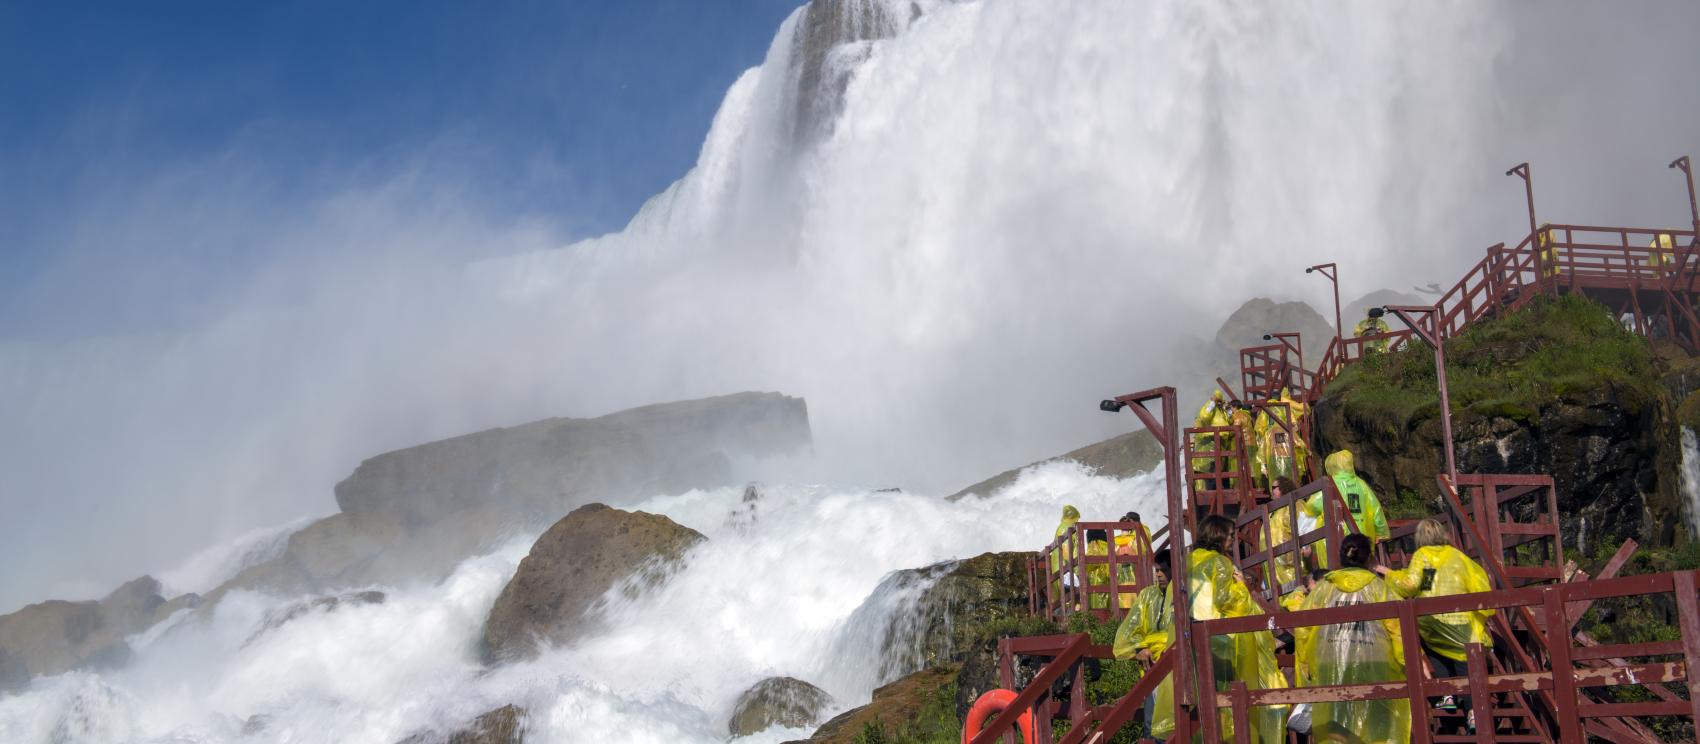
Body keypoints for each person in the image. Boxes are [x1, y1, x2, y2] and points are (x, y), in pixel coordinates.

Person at [1177, 515, 1288, 743]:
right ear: (1217, 535)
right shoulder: (1219, 562)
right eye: (1229, 535)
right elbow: (1227, 601)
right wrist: (1242, 586)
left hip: (1193, 636)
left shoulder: (1188, 560)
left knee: (1204, 700)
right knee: (1229, 700)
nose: (1232, 541)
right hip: (1222, 639)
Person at [1380, 518, 1495, 729]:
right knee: (1465, 665)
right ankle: (1473, 714)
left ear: (1420, 537)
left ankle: (1446, 695)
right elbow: (1478, 583)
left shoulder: (1422, 556)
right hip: (1461, 620)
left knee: (1432, 650)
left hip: (1431, 620)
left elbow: (1413, 585)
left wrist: (1389, 576)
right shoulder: (1459, 557)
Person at [1296, 533, 1410, 744]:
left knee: (1336, 725)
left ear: (1341, 557)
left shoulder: (1323, 588)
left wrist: (1305, 665)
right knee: (1375, 726)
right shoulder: (1379, 588)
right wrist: (1407, 663)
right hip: (1373, 662)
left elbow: (1303, 629)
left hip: (1330, 662)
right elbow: (1398, 630)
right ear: (1368, 559)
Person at [1114, 547, 1173, 743]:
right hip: (1152, 669)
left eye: (1163, 570)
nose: (1158, 574)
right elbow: (1127, 632)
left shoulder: (1184, 594)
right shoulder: (1148, 595)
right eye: (1156, 570)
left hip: (1175, 666)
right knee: (1152, 726)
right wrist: (1139, 648)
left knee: (1176, 725)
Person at [1302, 450, 1390, 561]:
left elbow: (1311, 506)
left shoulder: (1330, 484)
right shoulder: (1362, 485)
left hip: (1338, 538)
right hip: (1362, 537)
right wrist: (1382, 534)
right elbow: (1376, 510)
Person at [1192, 390, 1231, 490]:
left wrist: (1228, 409)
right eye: (1218, 401)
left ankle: (1217, 487)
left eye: (1220, 401)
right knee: (1212, 468)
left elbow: (1230, 420)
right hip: (1210, 442)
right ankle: (1213, 488)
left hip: (1221, 442)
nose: (1219, 403)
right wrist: (1212, 403)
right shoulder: (1209, 406)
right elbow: (1204, 416)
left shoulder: (1221, 410)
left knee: (1219, 468)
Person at [1114, 512, 1153, 609]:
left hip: (1138, 566)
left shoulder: (1139, 530)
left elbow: (1139, 548)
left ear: (1131, 521)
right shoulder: (1139, 530)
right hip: (1138, 567)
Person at [1049, 505, 1081, 604]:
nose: (1077, 522)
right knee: (1074, 594)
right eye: (1076, 519)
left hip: (1058, 567)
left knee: (1065, 598)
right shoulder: (1068, 529)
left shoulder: (1061, 527)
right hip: (1065, 568)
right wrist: (1078, 569)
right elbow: (1067, 552)